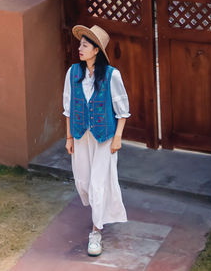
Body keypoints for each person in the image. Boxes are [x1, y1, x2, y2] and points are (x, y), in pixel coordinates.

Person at [62, 23, 129, 258]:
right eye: (80, 44)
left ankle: (96, 232)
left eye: (85, 45)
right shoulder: (73, 73)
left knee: (98, 184)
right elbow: (68, 108)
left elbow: (122, 110)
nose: (79, 48)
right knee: (83, 182)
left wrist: (117, 138)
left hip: (104, 138)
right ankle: (99, 212)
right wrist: (69, 137)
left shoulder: (112, 76)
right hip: (81, 136)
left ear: (96, 50)